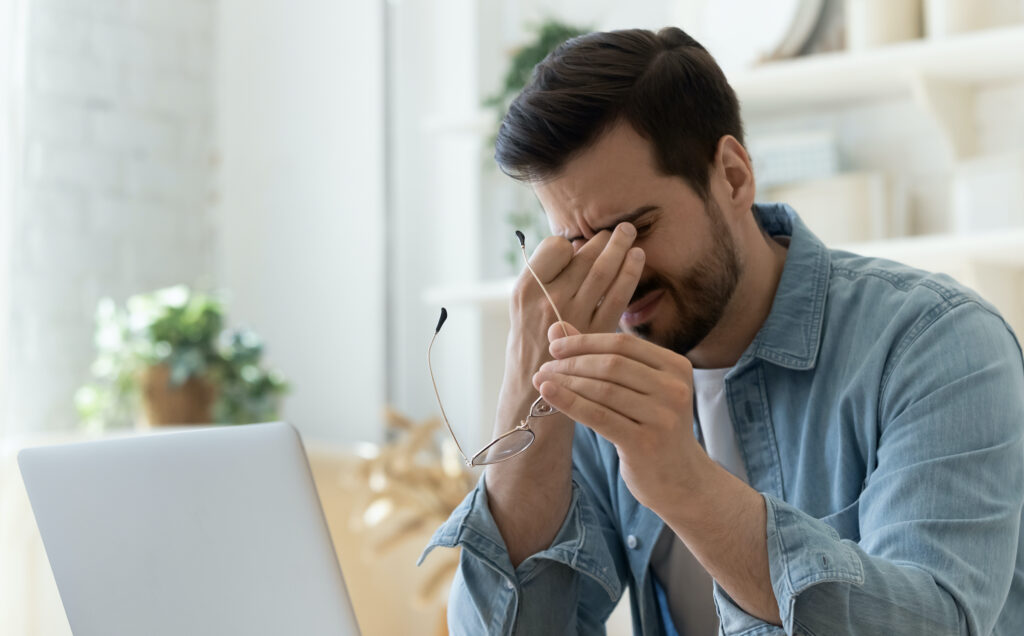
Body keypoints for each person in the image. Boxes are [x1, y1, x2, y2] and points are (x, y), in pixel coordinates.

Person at [419, 26, 1024, 635]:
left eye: (636, 229)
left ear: (733, 176)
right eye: (579, 245)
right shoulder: (592, 380)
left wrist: (683, 482)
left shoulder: (936, 346)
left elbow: (935, 626)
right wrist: (524, 404)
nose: (617, 276)